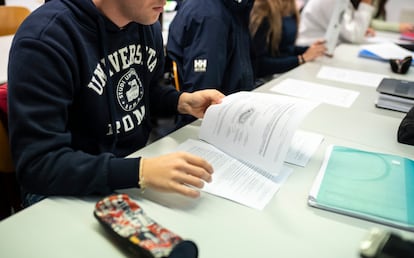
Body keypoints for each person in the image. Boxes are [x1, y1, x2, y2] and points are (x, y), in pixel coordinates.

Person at [7, 0, 224, 206]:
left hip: (126, 170)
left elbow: (145, 89)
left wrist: (181, 101)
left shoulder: (145, 20)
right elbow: (39, 165)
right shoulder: (45, 39)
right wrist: (140, 171)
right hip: (60, 188)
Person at [165, 0, 256, 127]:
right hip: (217, 122)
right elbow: (202, 94)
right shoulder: (209, 15)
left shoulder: (234, 8)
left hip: (234, 111)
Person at [249, 0, 326, 79]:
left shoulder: (290, 6)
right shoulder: (263, 9)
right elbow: (260, 64)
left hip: (283, 74)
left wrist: (310, 50)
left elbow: (285, 49)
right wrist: (301, 59)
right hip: (265, 79)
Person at [297, 0, 375, 46]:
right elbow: (353, 37)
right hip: (309, 49)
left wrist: (360, 29)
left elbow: (346, 26)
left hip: (321, 48)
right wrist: (366, 3)